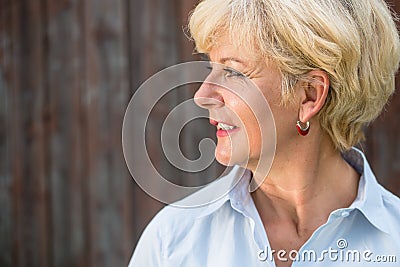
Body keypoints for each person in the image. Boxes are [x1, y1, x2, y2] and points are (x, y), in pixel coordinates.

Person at [128, 0, 400, 266]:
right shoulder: (171, 241)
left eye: (234, 73)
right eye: (212, 69)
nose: (203, 96)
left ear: (310, 95)